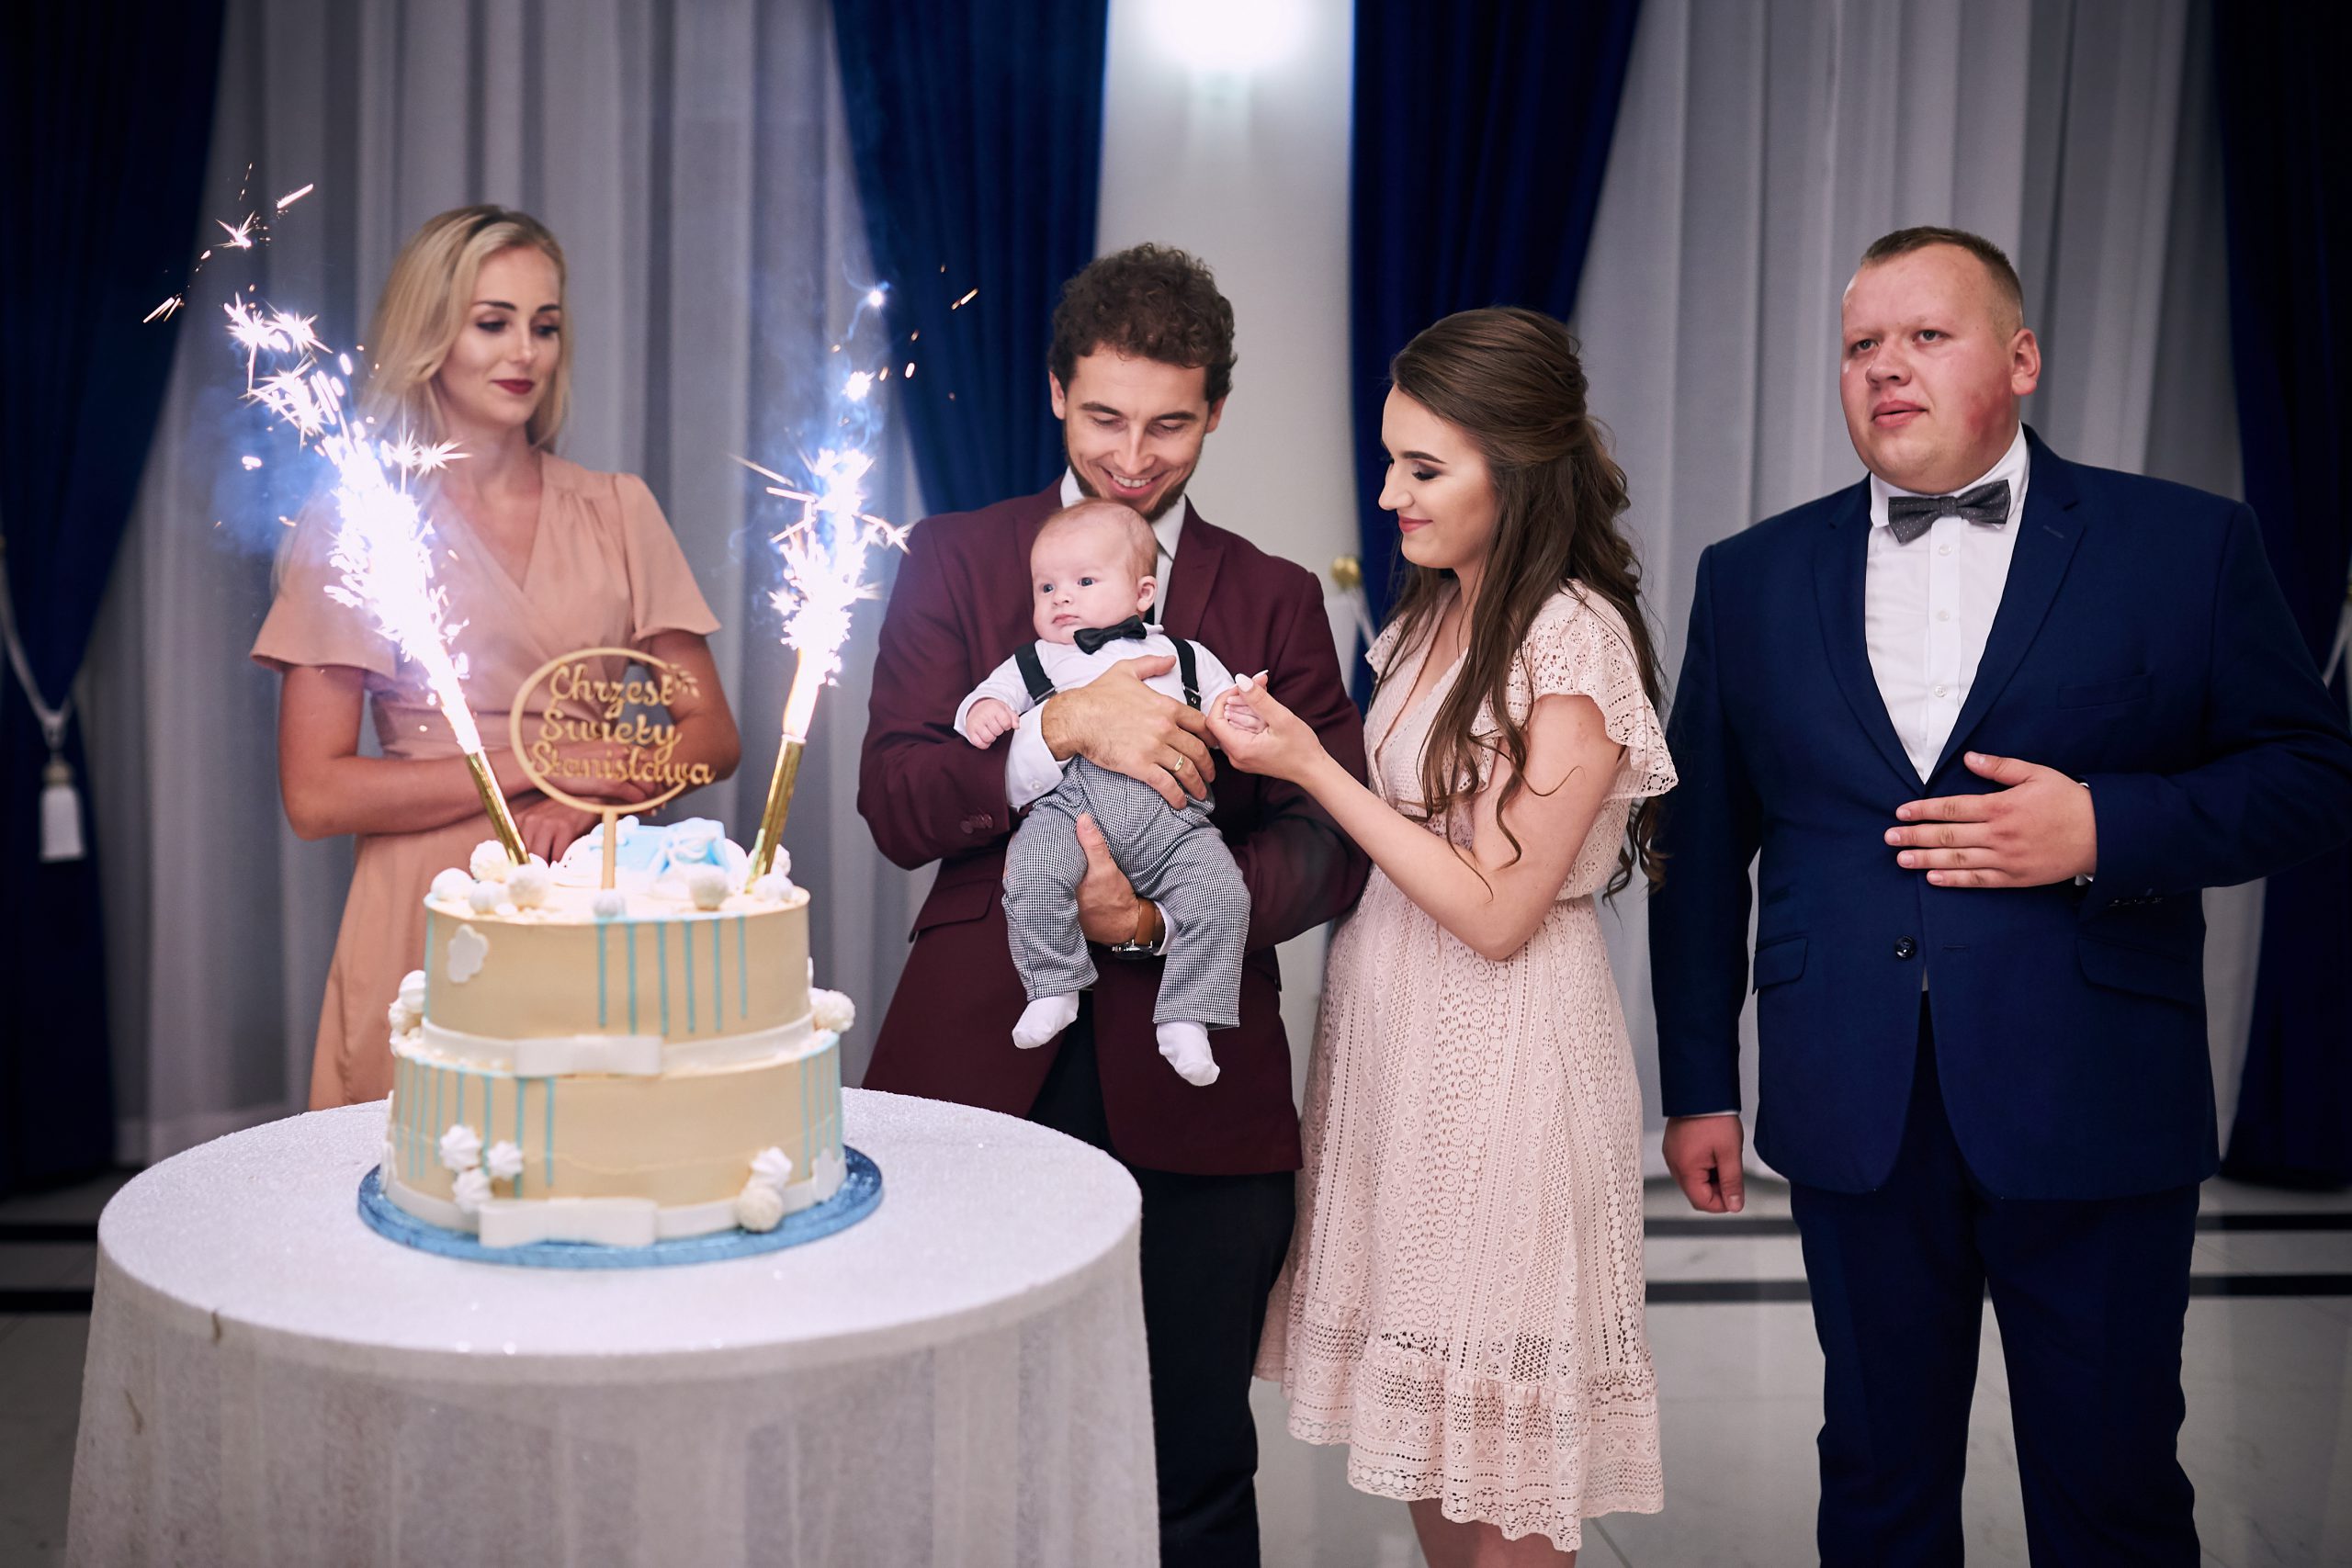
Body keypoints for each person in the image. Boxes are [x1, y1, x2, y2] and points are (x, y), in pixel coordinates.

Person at [1648, 226, 2352, 1565]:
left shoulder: (2185, 544)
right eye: (1861, 344)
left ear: (2021, 359)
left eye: (1927, 335)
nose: (1885, 366)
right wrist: (1698, 1082)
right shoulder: (1749, 575)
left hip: (2097, 1089)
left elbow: (2315, 775)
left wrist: (2103, 824)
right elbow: (1697, 843)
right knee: (1876, 1482)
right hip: (1853, 1095)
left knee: (2112, 1490)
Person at [859, 243, 1370, 1567]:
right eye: (1103, 417)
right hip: (975, 1055)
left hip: (1200, 1082)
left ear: (1216, 412)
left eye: (1169, 424)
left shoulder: (1270, 593)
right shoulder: (957, 557)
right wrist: (1056, 729)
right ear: (1053, 393)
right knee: (956, 1461)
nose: (1133, 457)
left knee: (1190, 1468)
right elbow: (897, 798)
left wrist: (1158, 917)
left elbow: (1333, 841)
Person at [1211, 306, 1674, 1565]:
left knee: (1505, 1450)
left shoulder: (1572, 636)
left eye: (1423, 467)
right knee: (1428, 1435)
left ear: (1512, 469)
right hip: (1395, 1043)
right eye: (1390, 461)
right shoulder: (1428, 617)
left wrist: (1313, 766)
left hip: (1508, 1055)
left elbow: (1497, 909)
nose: (1389, 495)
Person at [254, 205, 740, 1109]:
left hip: (593, 886)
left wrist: (589, 794)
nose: (525, 352)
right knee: (432, 1170)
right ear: (431, 333)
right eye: (493, 322)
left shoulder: (617, 508)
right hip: (429, 906)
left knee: (609, 1165)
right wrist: (546, 764)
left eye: (544, 326)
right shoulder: (360, 524)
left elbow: (712, 733)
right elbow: (316, 795)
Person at [958, 499, 1261, 1085]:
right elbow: (983, 696)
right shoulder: (1038, 659)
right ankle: (1053, 985)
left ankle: (1188, 1015)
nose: (1061, 598)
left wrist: (1240, 712)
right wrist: (985, 709)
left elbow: (1224, 708)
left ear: (1143, 593)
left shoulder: (1186, 657)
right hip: (1071, 810)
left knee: (1224, 892)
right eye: (1046, 587)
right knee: (1030, 873)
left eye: (1084, 582)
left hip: (1176, 819)